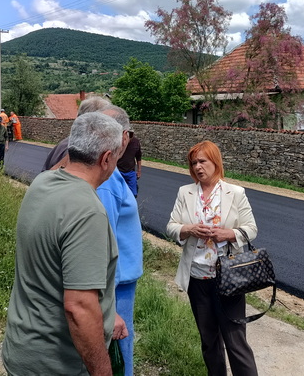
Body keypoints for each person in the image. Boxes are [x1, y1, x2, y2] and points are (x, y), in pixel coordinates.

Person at [2, 112, 124, 375]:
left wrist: (108, 313)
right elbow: (79, 307)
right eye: (116, 156)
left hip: (22, 348)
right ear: (106, 159)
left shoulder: (43, 182)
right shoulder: (87, 211)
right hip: (58, 363)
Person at [44, 101, 144, 376]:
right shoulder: (106, 180)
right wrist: (108, 309)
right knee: (117, 355)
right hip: (115, 286)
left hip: (117, 283)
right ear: (122, 138)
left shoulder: (106, 174)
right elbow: (101, 244)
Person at [166, 140, 259, 376]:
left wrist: (229, 234)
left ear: (215, 162)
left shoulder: (235, 193)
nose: (197, 167)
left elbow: (251, 229)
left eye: (202, 161)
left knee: (236, 343)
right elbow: (171, 226)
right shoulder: (185, 192)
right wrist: (189, 229)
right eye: (193, 163)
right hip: (197, 278)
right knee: (209, 342)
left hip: (228, 278)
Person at [117, 129, 142, 197]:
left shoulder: (136, 142)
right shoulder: (119, 142)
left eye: (131, 135)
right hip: (118, 170)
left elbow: (138, 156)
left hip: (130, 172)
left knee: (133, 194)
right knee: (118, 192)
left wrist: (139, 171)